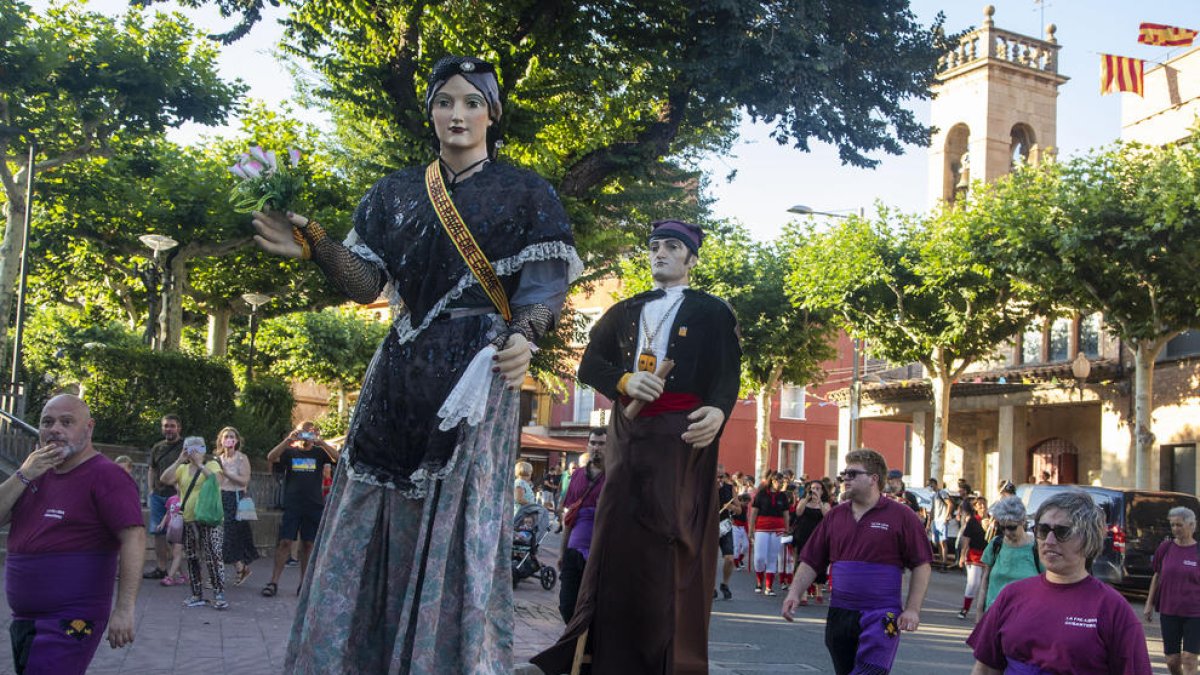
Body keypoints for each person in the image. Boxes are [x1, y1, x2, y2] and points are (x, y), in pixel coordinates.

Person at [251, 55, 580, 673]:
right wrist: (315, 243)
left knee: (457, 521)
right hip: (398, 370)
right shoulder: (393, 193)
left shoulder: (530, 194)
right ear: (430, 111)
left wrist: (525, 339)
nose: (458, 113)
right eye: (445, 101)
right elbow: (365, 280)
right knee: (370, 509)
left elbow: (542, 290)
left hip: (476, 371)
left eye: (472, 102)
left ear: (492, 114)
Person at [532, 218, 741, 675]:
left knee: (671, 535)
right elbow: (589, 363)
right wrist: (624, 379)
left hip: (681, 435)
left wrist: (719, 411)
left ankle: (667, 657)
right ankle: (599, 649)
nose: (659, 254)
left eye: (670, 247)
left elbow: (726, 374)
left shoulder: (712, 312)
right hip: (628, 431)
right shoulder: (624, 310)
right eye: (653, 247)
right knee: (616, 532)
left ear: (691, 258)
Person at [1, 394, 145, 674]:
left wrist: (125, 608)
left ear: (88, 428)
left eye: (67, 422)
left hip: (71, 619)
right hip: (24, 618)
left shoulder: (107, 475)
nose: (55, 429)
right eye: (47, 422)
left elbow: (134, 537)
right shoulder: (34, 471)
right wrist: (23, 474)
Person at [782, 448, 932, 675]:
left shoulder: (902, 516)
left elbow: (922, 564)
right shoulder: (835, 515)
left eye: (852, 474)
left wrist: (912, 609)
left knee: (871, 671)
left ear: (874, 479)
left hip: (884, 615)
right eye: (844, 473)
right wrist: (794, 593)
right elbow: (811, 560)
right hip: (840, 613)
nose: (844, 479)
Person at [968, 490, 1151, 674]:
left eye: (1063, 532)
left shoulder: (1113, 609)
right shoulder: (1011, 595)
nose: (1049, 540)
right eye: (1043, 530)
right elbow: (985, 668)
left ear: (1089, 539)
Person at [262, 421, 338, 598]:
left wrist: (322, 443)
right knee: (285, 542)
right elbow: (271, 457)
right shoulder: (290, 452)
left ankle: (303, 584)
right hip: (293, 504)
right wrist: (288, 440)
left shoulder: (319, 453)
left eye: (310, 432)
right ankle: (273, 581)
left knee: (308, 544)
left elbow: (339, 459)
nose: (306, 434)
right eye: (303, 431)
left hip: (313, 504)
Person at [160, 436, 227, 610]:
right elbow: (165, 479)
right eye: (189, 448)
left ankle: (219, 594)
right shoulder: (182, 469)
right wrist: (179, 460)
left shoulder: (212, 465)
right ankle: (196, 594)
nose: (193, 452)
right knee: (192, 557)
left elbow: (217, 481)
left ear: (203, 449)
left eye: (197, 448)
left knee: (214, 555)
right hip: (189, 519)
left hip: (210, 519)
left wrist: (199, 464)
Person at [557, 428, 606, 623]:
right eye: (593, 443)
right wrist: (561, 552)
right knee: (567, 605)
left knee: (595, 607)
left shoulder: (617, 476)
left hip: (601, 554)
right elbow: (569, 518)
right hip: (574, 551)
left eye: (601, 443)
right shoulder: (577, 476)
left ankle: (586, 651)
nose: (596, 448)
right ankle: (573, 645)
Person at [1144, 506, 1199, 675]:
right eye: (1173, 525)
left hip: (1195, 613)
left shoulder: (1197, 551)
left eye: (1179, 525)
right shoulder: (1165, 548)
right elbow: (1157, 575)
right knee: (1172, 660)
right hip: (1169, 610)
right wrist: (1149, 603)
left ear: (1191, 525)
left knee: (1189, 658)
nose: (1175, 529)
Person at [976, 496, 1040, 622]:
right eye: (1003, 528)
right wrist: (979, 614)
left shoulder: (1036, 548)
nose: (1007, 532)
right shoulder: (996, 545)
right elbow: (985, 580)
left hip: (1025, 618)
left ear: (1023, 521)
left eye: (1011, 527)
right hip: (994, 616)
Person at [215, 426, 258, 586]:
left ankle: (238, 569)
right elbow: (216, 481)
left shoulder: (242, 458)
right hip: (221, 497)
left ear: (237, 440)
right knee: (222, 536)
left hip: (236, 498)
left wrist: (226, 473)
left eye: (232, 436)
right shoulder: (218, 459)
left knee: (231, 535)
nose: (229, 439)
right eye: (226, 436)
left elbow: (244, 481)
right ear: (221, 440)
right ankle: (240, 568)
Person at [143, 414, 183, 579]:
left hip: (176, 496)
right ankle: (161, 568)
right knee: (157, 533)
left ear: (179, 428)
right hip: (158, 496)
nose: (168, 429)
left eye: (172, 426)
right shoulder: (157, 447)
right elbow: (152, 468)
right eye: (166, 426)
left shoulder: (185, 447)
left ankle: (177, 570)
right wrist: (151, 489)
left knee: (176, 535)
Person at [790, 478, 832, 605]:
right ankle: (803, 593)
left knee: (820, 561)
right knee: (802, 561)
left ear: (823, 491)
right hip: (803, 535)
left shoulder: (825, 504)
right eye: (813, 488)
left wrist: (818, 502)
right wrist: (806, 500)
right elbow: (798, 512)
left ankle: (818, 590)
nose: (815, 491)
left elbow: (827, 516)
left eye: (818, 489)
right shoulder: (803, 501)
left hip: (819, 536)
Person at [751, 472, 792, 596]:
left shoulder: (783, 496)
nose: (782, 484)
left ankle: (769, 587)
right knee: (759, 557)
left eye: (783, 482)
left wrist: (787, 529)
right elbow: (754, 512)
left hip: (778, 528)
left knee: (772, 557)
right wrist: (751, 529)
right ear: (773, 481)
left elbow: (786, 514)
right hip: (762, 527)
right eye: (780, 481)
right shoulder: (761, 494)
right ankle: (759, 580)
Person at [956, 497, 989, 619]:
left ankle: (986, 611)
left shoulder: (992, 520)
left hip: (989, 555)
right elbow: (966, 539)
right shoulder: (973, 521)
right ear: (975, 507)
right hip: (974, 554)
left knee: (988, 585)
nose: (982, 506)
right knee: (973, 583)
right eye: (979, 505)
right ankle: (965, 609)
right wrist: (963, 555)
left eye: (984, 504)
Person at [715, 463, 741, 600]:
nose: (720, 479)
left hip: (725, 526)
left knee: (730, 559)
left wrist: (730, 506)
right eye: (718, 476)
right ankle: (709, 586)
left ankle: (725, 584)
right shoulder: (705, 487)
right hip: (709, 527)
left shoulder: (730, 489)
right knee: (709, 559)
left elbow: (739, 510)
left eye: (723, 476)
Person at [155, 493, 187, 586]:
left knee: (177, 553)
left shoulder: (187, 497)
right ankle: (182, 575)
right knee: (174, 554)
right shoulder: (171, 498)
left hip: (181, 529)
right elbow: (168, 512)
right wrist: (162, 524)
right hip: (171, 529)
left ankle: (170, 577)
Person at [927, 477, 951, 567]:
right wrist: (929, 522)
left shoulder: (942, 493)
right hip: (936, 521)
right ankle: (941, 560)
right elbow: (932, 509)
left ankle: (944, 562)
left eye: (930, 484)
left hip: (941, 520)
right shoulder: (934, 495)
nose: (929, 487)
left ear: (935, 484)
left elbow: (949, 503)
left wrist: (946, 516)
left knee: (942, 542)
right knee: (937, 542)